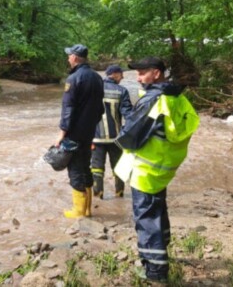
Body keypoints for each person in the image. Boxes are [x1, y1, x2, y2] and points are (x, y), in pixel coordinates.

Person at [114, 56, 199, 283]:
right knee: (158, 212)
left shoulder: (153, 99)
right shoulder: (177, 97)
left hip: (144, 170)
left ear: (157, 73)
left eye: (142, 73)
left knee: (146, 219)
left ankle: (154, 272)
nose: (138, 78)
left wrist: (120, 138)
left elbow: (130, 136)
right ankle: (163, 252)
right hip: (163, 168)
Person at [56, 44, 104, 218]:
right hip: (90, 131)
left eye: (69, 56)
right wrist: (91, 124)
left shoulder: (74, 78)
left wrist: (62, 133)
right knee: (86, 167)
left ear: (75, 58)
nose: (68, 58)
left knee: (75, 169)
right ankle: (88, 209)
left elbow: (68, 108)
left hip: (75, 133)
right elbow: (100, 109)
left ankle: (78, 211)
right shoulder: (98, 78)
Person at [90, 65, 133, 199]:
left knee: (97, 168)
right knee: (118, 167)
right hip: (116, 138)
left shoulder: (93, 90)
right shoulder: (122, 91)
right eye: (121, 75)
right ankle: (119, 194)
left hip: (96, 138)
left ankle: (98, 195)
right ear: (115, 74)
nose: (123, 77)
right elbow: (128, 115)